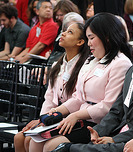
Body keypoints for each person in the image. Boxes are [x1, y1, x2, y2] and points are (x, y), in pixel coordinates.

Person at [51, 16, 133, 152]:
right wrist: (98, 132)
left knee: (65, 149)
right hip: (117, 133)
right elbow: (117, 110)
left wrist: (115, 139)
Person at [28, 12, 133, 151]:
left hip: (99, 124)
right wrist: (55, 112)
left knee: (51, 145)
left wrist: (75, 115)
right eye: (88, 38)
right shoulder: (92, 59)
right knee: (34, 140)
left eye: (91, 38)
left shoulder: (121, 63)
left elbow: (108, 106)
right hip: (80, 119)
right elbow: (78, 97)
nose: (88, 43)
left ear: (106, 37)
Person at [14, 20, 90, 152]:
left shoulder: (85, 66)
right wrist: (43, 119)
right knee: (19, 138)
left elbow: (77, 99)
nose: (64, 34)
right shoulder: (57, 65)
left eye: (70, 32)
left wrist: (51, 116)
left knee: (31, 141)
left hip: (70, 116)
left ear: (80, 42)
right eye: (64, 30)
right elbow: (49, 96)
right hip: (53, 116)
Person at [15, 0, 58, 64]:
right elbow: (28, 48)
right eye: (45, 7)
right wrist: (17, 58)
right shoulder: (34, 28)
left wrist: (24, 58)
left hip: (41, 62)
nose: (48, 10)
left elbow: (40, 46)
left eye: (50, 8)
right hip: (31, 59)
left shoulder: (53, 25)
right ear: (37, 11)